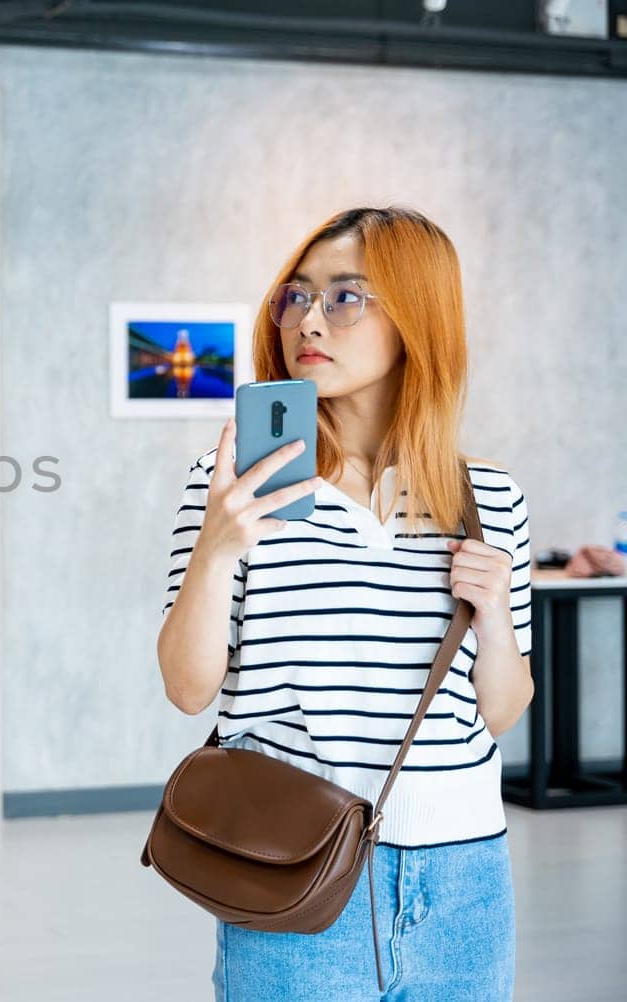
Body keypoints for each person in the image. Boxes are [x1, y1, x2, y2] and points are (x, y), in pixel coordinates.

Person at [156, 207, 533, 1001]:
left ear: (417, 319)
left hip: (465, 879)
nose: (308, 319)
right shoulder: (233, 485)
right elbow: (189, 688)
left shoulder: (487, 496)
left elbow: (500, 712)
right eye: (294, 297)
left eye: (345, 296)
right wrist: (218, 546)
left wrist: (495, 617)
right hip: (294, 867)